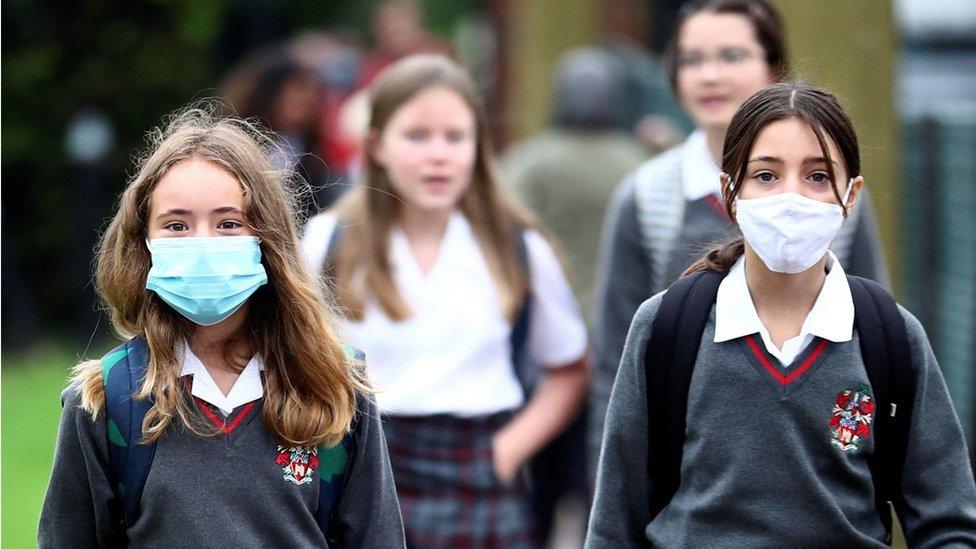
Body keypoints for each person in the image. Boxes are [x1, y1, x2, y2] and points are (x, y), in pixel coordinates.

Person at [586, 82, 976, 546]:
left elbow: (948, 521)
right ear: (730, 192)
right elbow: (615, 523)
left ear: (851, 196)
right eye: (766, 176)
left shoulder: (890, 336)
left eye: (817, 176)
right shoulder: (667, 328)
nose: (791, 197)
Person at [38, 106, 404, 547]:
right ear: (144, 243)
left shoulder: (336, 386)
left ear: (267, 239)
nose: (204, 244)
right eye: (176, 225)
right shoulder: (106, 399)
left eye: (228, 223)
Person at [590, 0, 889, 481]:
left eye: (732, 56)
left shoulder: (833, 197)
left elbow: (872, 340)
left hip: (819, 466)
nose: (710, 75)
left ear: (774, 68)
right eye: (691, 60)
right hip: (695, 473)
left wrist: (850, 454)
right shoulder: (647, 198)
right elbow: (615, 366)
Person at [301, 54, 588, 548]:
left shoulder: (515, 247)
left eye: (455, 137)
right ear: (377, 147)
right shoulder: (328, 241)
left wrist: (507, 450)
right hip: (360, 463)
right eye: (417, 136)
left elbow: (569, 368)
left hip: (478, 472)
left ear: (479, 147)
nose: (439, 154)